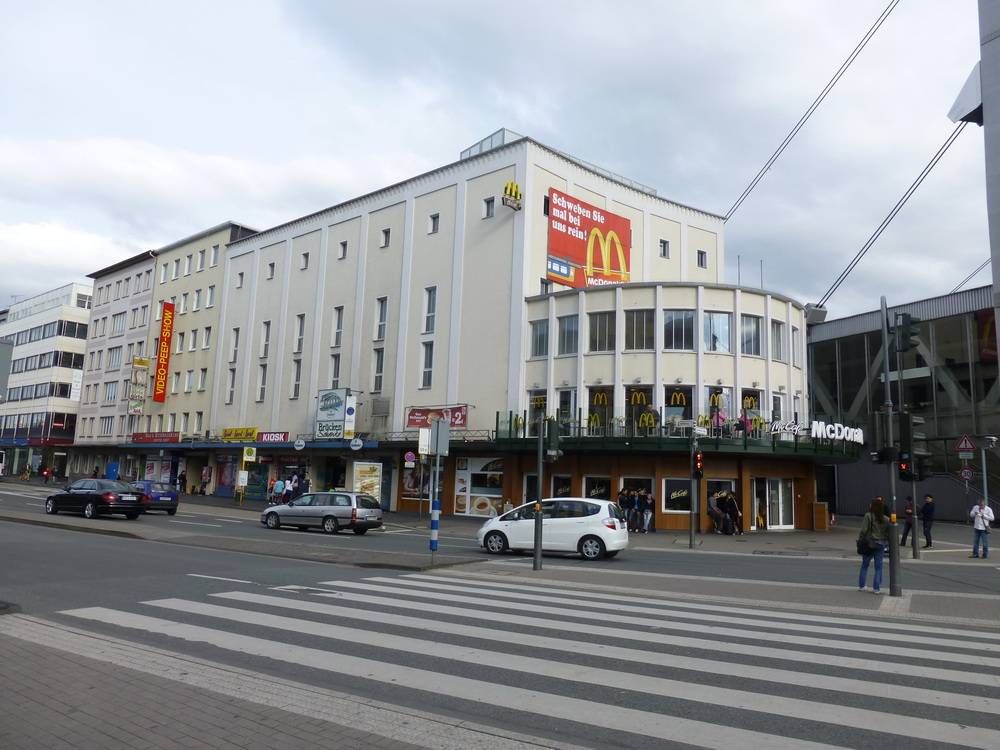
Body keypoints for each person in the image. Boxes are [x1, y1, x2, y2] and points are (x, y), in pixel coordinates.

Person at [858, 496, 890, 594]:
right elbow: (889, 532)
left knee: (865, 565)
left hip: (869, 543)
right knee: (878, 567)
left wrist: (861, 539)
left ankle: (862, 586)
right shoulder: (886, 519)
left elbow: (863, 530)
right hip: (881, 544)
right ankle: (876, 588)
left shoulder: (868, 515)